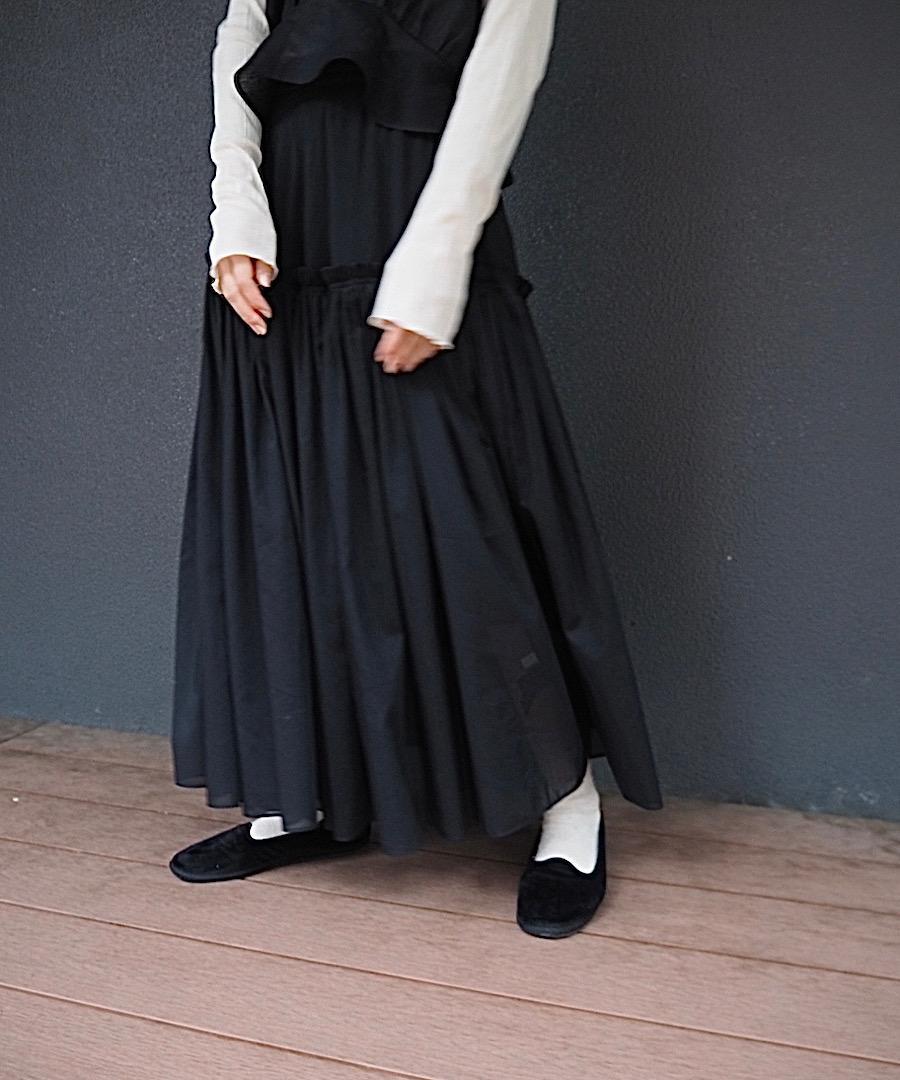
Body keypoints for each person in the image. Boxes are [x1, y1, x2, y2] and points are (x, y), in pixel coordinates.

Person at [168, 0, 663, 939]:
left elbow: (505, 67)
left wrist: (435, 264)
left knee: (472, 535)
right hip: (283, 238)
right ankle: (316, 798)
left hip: (414, 221)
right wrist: (235, 212)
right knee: (298, 531)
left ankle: (567, 805)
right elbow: (242, 34)